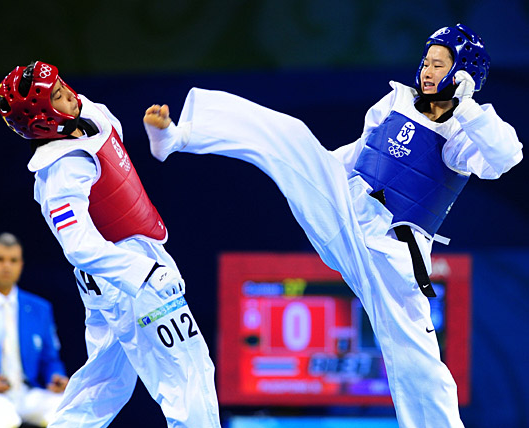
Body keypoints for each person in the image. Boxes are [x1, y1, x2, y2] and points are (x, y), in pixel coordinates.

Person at [143, 24, 523, 428]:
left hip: (391, 252)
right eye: (426, 61)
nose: (427, 71)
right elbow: (359, 154)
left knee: (419, 362)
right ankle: (179, 136)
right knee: (290, 137)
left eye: (439, 64)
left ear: (463, 74)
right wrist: (319, 168)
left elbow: (506, 157)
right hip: (346, 209)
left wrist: (466, 107)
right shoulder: (396, 101)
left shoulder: (462, 135)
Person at [0, 61, 221, 427]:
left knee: (104, 385)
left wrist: (159, 136)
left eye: (62, 85)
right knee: (187, 373)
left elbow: (112, 146)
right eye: (58, 96)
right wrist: (144, 273)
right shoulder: (62, 169)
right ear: (43, 120)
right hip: (125, 273)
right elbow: (78, 245)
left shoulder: (86, 114)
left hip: (118, 274)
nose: (69, 95)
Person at [0, 232, 68, 428]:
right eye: (0, 259)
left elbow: (50, 359)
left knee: (68, 412)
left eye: (13, 260)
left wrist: (56, 377)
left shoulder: (39, 309)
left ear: (21, 265)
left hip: (28, 392)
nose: (6, 266)